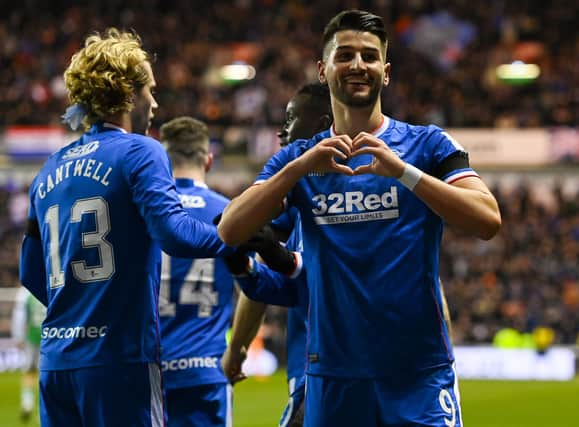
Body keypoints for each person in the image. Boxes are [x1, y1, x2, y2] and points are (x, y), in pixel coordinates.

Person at [218, 10, 501, 427]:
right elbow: (230, 229)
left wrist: (404, 173)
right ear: (324, 69)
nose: (357, 65)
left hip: (417, 375)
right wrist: (298, 169)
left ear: (385, 73)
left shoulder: (426, 144)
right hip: (334, 378)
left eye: (369, 57)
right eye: (345, 55)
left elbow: (487, 219)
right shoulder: (300, 159)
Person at [19, 28, 233, 427]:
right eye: (150, 89)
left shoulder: (48, 171)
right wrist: (234, 238)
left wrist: (81, 312)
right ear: (128, 92)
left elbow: (31, 274)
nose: (154, 101)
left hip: (58, 362)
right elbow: (175, 235)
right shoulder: (141, 150)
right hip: (120, 360)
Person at [221, 83, 332, 427]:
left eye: (291, 119)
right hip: (314, 371)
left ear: (321, 124)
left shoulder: (352, 192)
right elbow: (276, 279)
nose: (282, 130)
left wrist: (236, 347)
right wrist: (238, 344)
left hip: (327, 373)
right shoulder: (294, 196)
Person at [158, 116, 235, 427]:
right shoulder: (230, 212)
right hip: (207, 367)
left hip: (152, 369)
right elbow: (253, 286)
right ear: (209, 159)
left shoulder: (147, 211)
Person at [11, 287, 47, 423]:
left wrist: (18, 337)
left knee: (29, 372)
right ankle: (42, 410)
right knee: (45, 375)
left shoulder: (24, 293)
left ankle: (27, 403)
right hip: (50, 337)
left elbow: (19, 317)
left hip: (32, 338)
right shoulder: (52, 284)